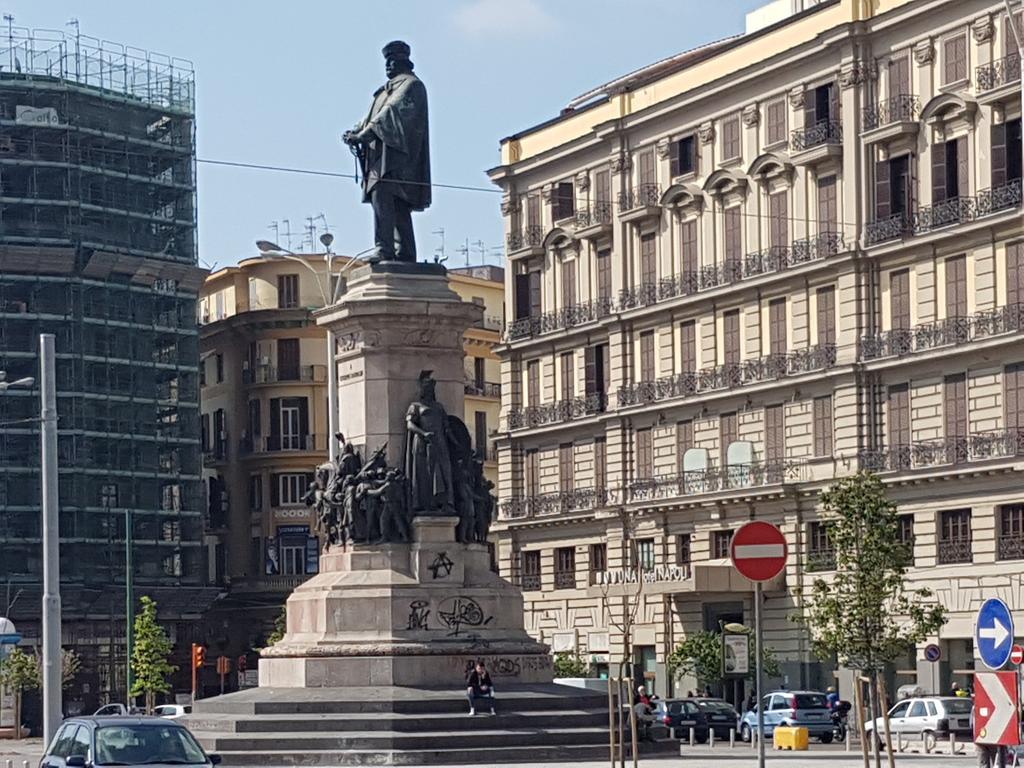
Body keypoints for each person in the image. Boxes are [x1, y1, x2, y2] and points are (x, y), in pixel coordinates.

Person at [342, 40, 430, 263]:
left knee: (387, 197)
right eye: (386, 62)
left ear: (404, 62)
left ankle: (385, 248)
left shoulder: (411, 85)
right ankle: (405, 252)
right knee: (391, 201)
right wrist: (355, 130)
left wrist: (365, 134)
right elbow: (370, 117)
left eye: (392, 61)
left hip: (399, 158)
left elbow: (391, 113)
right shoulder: (383, 91)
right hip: (380, 156)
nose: (388, 66)